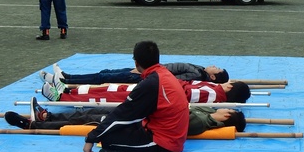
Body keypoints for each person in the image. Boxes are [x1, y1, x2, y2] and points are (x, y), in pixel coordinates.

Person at [81, 41, 190, 152]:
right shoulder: (164, 74)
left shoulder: (150, 84)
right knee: (110, 125)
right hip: (169, 136)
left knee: (107, 138)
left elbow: (122, 115)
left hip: (164, 145)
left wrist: (92, 138)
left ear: (136, 62)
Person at [5, 97, 246, 134]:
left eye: (229, 110)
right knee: (91, 111)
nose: (224, 108)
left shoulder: (202, 121)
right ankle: (47, 117)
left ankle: (33, 124)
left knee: (84, 121)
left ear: (226, 118)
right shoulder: (208, 113)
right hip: (136, 113)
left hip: (136, 123)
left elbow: (173, 115)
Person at [40, 78, 251, 105]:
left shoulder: (214, 94)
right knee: (115, 88)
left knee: (111, 95)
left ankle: (62, 97)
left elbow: (185, 93)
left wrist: (171, 82)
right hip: (160, 87)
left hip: (158, 93)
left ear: (230, 87)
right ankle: (70, 90)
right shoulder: (214, 90)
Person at [40, 62, 229, 86]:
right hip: (146, 73)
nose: (214, 66)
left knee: (104, 77)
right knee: (105, 73)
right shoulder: (198, 72)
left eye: (217, 69)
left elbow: (169, 72)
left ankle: (65, 80)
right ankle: (69, 76)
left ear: (213, 76)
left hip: (144, 75)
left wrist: (144, 71)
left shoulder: (195, 73)